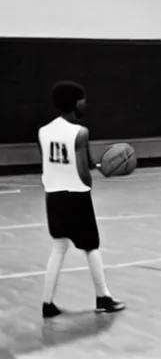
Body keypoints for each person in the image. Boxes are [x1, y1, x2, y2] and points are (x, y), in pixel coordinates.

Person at [38, 81, 125, 318]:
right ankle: (103, 297)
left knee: (59, 246)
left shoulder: (43, 131)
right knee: (91, 247)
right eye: (83, 99)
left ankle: (47, 303)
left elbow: (57, 161)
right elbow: (83, 169)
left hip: (53, 196)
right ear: (74, 103)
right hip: (76, 196)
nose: (86, 103)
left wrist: (96, 165)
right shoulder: (81, 132)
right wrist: (96, 176)